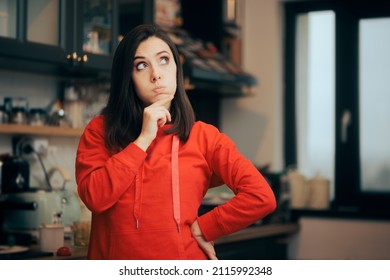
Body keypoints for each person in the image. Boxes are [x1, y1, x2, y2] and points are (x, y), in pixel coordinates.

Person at [75, 24, 276, 260]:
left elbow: (261, 196)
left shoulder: (204, 137)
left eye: (163, 60)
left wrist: (205, 228)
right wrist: (143, 139)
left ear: (176, 69)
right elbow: (95, 199)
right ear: (127, 77)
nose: (156, 74)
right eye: (141, 65)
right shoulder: (100, 130)